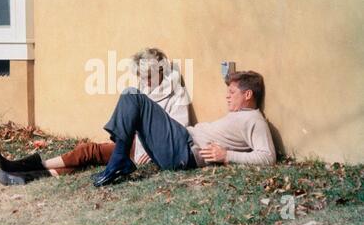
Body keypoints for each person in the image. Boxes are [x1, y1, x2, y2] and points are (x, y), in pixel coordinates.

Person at [0, 48, 191, 185]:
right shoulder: (143, 88)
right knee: (88, 151)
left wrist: (151, 149)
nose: (145, 82)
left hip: (151, 151)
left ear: (160, 71)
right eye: (141, 77)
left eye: (148, 76)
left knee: (93, 153)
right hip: (132, 145)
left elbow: (178, 131)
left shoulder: (177, 93)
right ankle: (28, 171)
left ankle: (27, 171)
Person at [91, 70, 276, 187]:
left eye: (232, 93)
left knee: (132, 96)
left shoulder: (254, 120)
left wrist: (227, 156)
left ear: (248, 94)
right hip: (181, 142)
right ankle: (119, 159)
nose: (227, 97)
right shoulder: (239, 115)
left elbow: (268, 156)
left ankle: (118, 159)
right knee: (132, 100)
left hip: (184, 151)